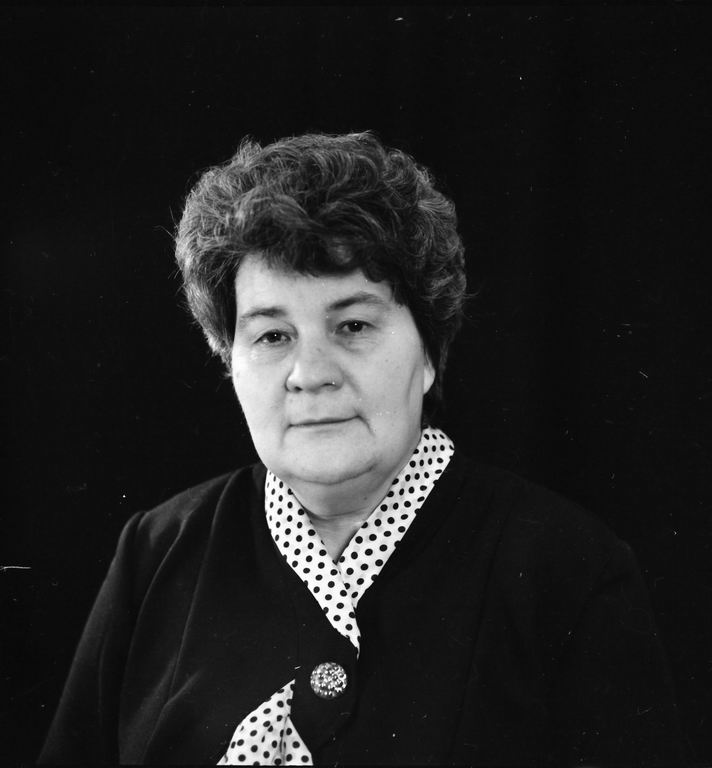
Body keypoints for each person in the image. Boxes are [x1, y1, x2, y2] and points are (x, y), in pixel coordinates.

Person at [39, 132, 688, 766]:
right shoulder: (156, 553)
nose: (309, 373)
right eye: (272, 336)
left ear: (429, 353)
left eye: (352, 325)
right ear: (229, 360)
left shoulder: (568, 570)